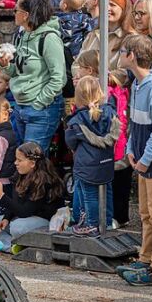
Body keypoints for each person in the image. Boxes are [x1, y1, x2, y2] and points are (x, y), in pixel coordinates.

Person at [118, 34, 152, 286]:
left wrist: (147, 158)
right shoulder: (136, 84)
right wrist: (131, 148)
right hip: (141, 157)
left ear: (132, 56)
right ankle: (146, 256)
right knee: (145, 212)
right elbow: (134, 123)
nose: (119, 55)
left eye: (122, 51)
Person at [0, 0, 67, 151]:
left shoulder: (49, 38)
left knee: (31, 161)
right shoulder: (22, 35)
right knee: (24, 158)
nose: (13, 13)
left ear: (26, 15)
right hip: (21, 106)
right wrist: (5, 65)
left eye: (16, 10)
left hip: (41, 109)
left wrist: (39, 103)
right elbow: (17, 71)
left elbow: (59, 78)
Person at [0, 141, 66, 251]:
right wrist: (6, 218)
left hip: (43, 221)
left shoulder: (43, 181)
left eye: (19, 160)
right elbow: (16, 202)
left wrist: (1, 196)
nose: (15, 163)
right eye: (16, 159)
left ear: (32, 163)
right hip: (21, 219)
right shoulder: (20, 175)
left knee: (16, 227)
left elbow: (24, 212)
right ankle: (12, 246)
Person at [66, 75, 120, 234]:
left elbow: (70, 141)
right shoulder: (110, 112)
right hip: (106, 161)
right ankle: (107, 222)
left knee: (88, 194)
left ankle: (92, 224)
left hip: (86, 164)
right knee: (107, 190)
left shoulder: (77, 119)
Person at [76, 0, 136, 80]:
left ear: (123, 10)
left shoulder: (131, 38)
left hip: (112, 92)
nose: (107, 8)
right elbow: (77, 63)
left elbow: (126, 72)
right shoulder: (93, 35)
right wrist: (78, 76)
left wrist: (99, 80)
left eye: (112, 5)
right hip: (87, 91)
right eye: (105, 4)